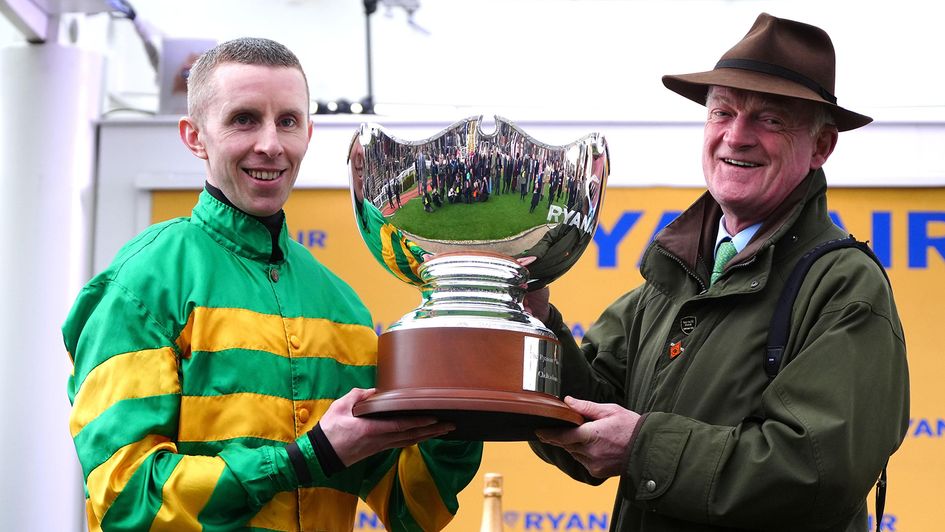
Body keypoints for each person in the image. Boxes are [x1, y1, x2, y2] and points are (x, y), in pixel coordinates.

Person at [64, 37, 481, 532]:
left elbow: (410, 509)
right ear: (194, 136)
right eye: (244, 119)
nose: (270, 144)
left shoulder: (341, 305)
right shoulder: (142, 283)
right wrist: (306, 458)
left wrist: (462, 414)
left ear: (309, 132)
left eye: (287, 121)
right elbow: (127, 497)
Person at [526, 13, 909, 531]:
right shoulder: (673, 274)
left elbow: (816, 471)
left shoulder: (844, 285)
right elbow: (590, 408)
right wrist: (534, 324)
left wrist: (642, 448)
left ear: (821, 147)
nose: (737, 135)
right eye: (722, 112)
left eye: (770, 119)